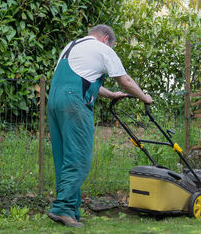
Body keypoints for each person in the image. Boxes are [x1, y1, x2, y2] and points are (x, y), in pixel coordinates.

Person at [47, 24, 152, 227]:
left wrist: (111, 94)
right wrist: (144, 97)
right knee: (79, 157)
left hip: (54, 101)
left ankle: (70, 210)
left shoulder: (73, 45)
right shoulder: (103, 49)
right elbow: (125, 80)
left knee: (64, 158)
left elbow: (83, 76)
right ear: (106, 39)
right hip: (74, 103)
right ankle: (61, 208)